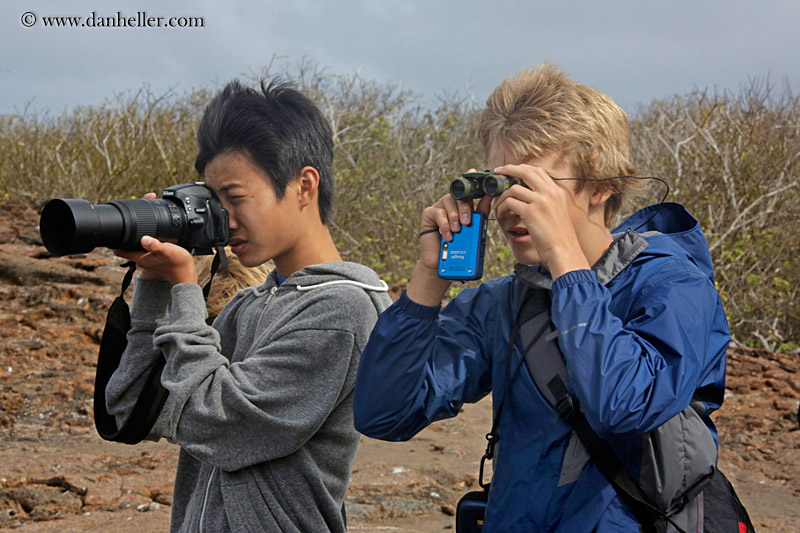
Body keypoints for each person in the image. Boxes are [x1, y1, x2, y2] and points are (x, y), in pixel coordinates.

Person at [352, 63, 730, 531]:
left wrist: (566, 264)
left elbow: (626, 405)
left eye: (534, 187)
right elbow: (384, 415)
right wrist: (429, 279)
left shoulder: (673, 286)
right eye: (501, 185)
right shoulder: (505, 302)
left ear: (602, 186)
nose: (511, 206)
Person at [105, 79, 392, 532]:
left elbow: (216, 424)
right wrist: (155, 283)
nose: (225, 219)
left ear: (304, 185)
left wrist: (184, 286)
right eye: (215, 201)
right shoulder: (247, 305)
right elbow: (130, 406)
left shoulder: (342, 311)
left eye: (236, 198)